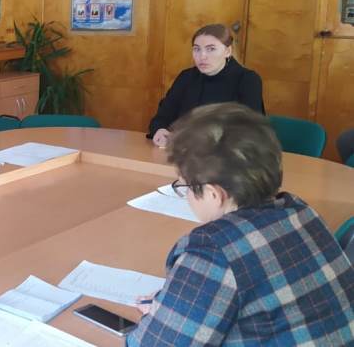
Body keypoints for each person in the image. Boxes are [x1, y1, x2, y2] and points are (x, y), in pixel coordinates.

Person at [128, 103, 353, 346]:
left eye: (184, 186)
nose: (186, 195)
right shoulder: (300, 211)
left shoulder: (212, 249)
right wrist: (177, 303)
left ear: (214, 194)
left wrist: (165, 317)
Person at [148, 24, 264, 147]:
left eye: (211, 49)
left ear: (228, 51)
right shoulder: (187, 77)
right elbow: (161, 118)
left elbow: (252, 131)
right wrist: (160, 130)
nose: (202, 56)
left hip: (226, 155)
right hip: (182, 152)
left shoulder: (247, 79)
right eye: (197, 49)